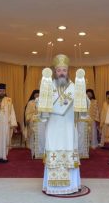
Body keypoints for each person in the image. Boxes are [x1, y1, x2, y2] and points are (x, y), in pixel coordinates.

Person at [38, 54, 88, 195]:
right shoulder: (47, 86)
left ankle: (71, 186)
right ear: (55, 71)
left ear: (68, 72)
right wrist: (39, 104)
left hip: (68, 128)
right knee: (53, 151)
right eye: (59, 70)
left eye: (64, 70)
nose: (61, 73)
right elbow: (42, 108)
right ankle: (52, 186)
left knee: (69, 150)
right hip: (53, 127)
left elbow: (83, 108)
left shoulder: (75, 87)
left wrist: (84, 98)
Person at [24, 89, 43, 159]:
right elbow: (27, 115)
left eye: (38, 94)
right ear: (33, 95)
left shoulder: (43, 102)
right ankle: (34, 153)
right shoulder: (30, 103)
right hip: (33, 124)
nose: (37, 96)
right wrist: (34, 114)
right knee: (34, 138)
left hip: (42, 124)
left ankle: (42, 153)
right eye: (36, 94)